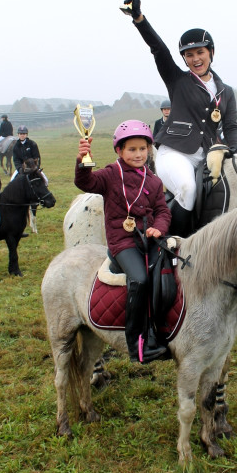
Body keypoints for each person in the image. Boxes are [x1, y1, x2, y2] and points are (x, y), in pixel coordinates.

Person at [122, 0, 237, 237]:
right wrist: (139, 19)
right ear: (185, 59)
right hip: (175, 152)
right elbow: (159, 50)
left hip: (210, 155)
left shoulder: (226, 91)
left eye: (200, 52)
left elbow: (230, 126)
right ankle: (172, 244)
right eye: (189, 55)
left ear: (211, 52)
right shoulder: (177, 80)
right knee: (187, 188)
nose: (196, 59)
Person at [75, 120, 172, 363]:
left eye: (142, 149)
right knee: (139, 280)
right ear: (119, 150)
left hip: (148, 239)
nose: (138, 154)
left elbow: (162, 211)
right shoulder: (110, 175)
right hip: (123, 242)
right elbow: (85, 183)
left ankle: (161, 330)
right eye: (132, 149)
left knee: (169, 273)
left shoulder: (154, 181)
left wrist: (159, 229)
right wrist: (83, 160)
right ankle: (135, 342)